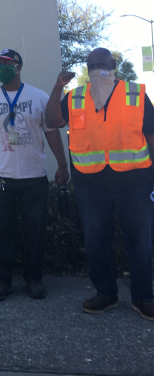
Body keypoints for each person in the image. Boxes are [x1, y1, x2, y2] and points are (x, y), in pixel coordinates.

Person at [45, 48, 154, 320]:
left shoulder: (136, 94)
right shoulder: (76, 97)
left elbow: (152, 135)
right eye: (92, 65)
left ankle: (143, 297)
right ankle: (105, 294)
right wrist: (57, 88)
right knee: (96, 241)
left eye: (102, 64)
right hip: (90, 183)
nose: (97, 70)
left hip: (135, 182)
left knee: (140, 242)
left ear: (113, 65)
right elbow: (51, 121)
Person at [0, 49, 68, 302]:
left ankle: (33, 278)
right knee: (1, 229)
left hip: (34, 177)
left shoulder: (39, 96)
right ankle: (2, 281)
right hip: (1, 177)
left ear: (19, 66)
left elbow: (52, 131)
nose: (2, 67)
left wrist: (62, 165)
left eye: (6, 63)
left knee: (35, 230)